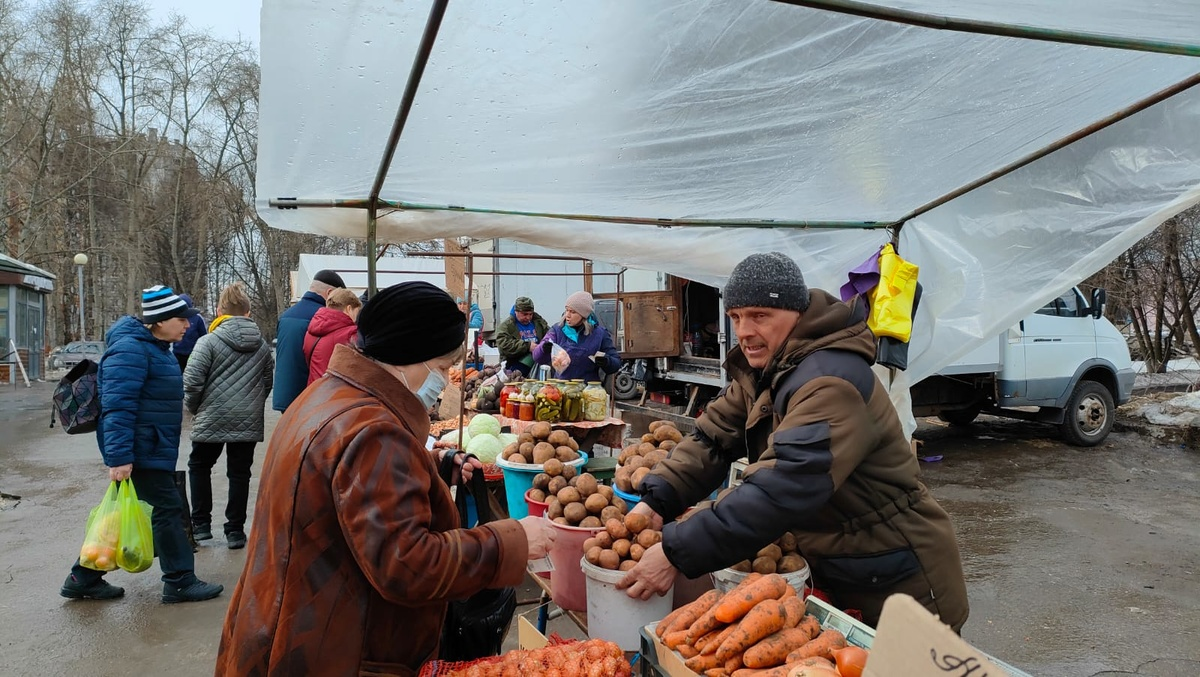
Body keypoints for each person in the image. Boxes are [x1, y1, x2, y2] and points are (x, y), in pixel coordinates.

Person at [216, 281, 556, 676]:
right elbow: (408, 564)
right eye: (443, 366)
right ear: (406, 355)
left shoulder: (327, 395)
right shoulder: (374, 431)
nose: (444, 380)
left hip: (284, 625)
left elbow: (346, 491)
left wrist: (430, 465)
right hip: (335, 649)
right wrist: (510, 541)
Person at [616, 252, 969, 632]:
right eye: (735, 317)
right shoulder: (772, 369)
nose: (744, 331)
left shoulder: (831, 381)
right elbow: (713, 437)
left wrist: (676, 552)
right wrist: (657, 499)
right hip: (843, 569)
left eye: (759, 316)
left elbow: (782, 486)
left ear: (796, 313)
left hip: (899, 577)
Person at [60, 285, 224, 604]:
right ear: (160, 320)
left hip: (150, 444)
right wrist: (119, 457)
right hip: (140, 448)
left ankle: (83, 577)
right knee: (167, 509)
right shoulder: (132, 350)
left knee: (129, 514)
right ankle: (179, 581)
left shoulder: (155, 347)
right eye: (182, 319)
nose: (188, 325)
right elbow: (118, 407)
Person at [182, 282, 274, 550]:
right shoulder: (261, 346)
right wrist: (252, 404)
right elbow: (267, 381)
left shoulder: (207, 341)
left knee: (199, 466)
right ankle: (235, 531)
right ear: (248, 312)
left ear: (220, 310)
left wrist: (196, 407)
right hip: (247, 417)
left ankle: (201, 526)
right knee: (239, 473)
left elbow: (192, 382)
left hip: (212, 415)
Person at [273, 269, 345, 412]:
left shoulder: (286, 316)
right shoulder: (322, 318)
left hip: (285, 396)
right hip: (308, 398)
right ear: (330, 292)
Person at [531, 291, 621, 382]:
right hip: (561, 387)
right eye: (567, 310)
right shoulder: (557, 330)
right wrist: (544, 348)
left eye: (573, 312)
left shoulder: (599, 334)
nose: (567, 315)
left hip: (588, 389)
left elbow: (616, 364)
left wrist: (607, 362)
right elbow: (537, 358)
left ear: (584, 315)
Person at [303, 288, 362, 385]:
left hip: (313, 392)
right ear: (348, 309)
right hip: (337, 393)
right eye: (356, 312)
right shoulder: (351, 333)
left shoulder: (310, 332)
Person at [494, 296, 549, 377]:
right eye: (525, 314)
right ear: (516, 312)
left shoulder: (539, 323)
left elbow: (550, 335)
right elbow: (504, 345)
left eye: (530, 314)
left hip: (538, 366)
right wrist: (527, 346)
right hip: (514, 367)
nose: (528, 317)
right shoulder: (506, 326)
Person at [173, 292, 207, 372]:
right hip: (177, 353)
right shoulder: (175, 316)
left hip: (193, 354)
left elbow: (204, 337)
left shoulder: (197, 318)